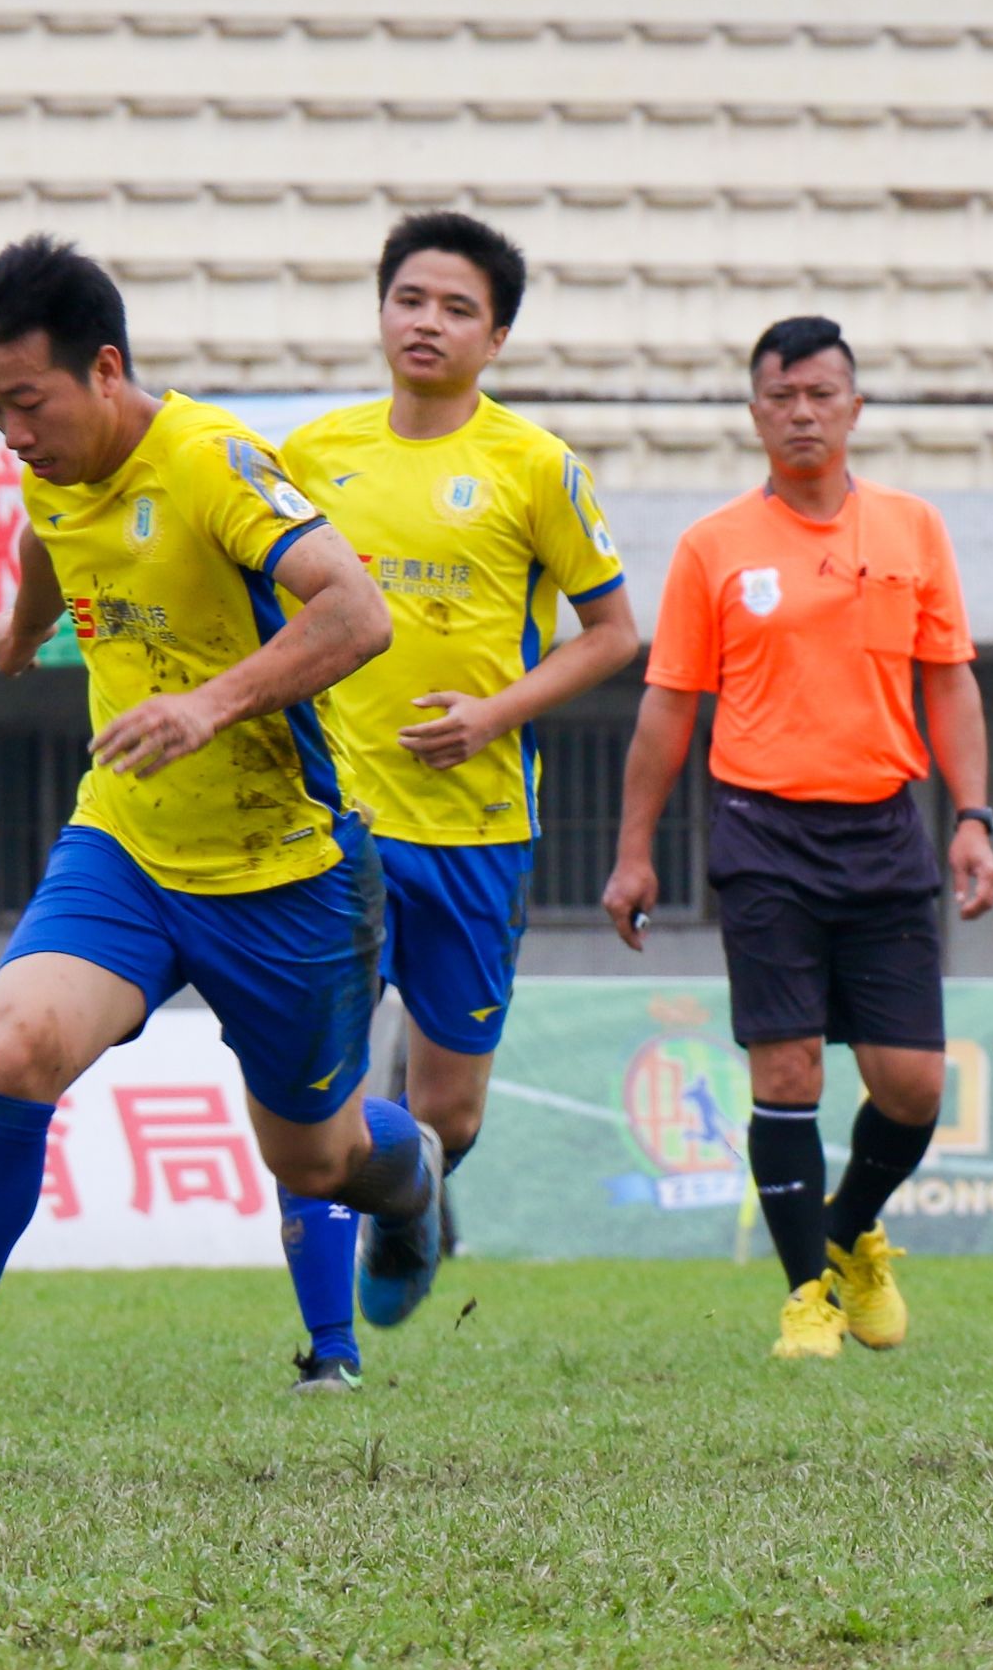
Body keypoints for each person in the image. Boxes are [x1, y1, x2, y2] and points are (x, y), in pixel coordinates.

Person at [0, 235, 437, 1471]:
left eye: (27, 401)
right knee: (17, 1045)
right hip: (128, 839)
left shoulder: (214, 463)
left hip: (288, 869)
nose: (10, 433)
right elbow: (51, 534)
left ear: (105, 368)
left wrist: (212, 704)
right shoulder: (49, 468)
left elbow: (356, 610)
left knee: (313, 1156)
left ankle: (414, 1167)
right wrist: (19, 631)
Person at [273, 212, 639, 1387]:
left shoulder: (536, 467)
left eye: (457, 308)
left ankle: (410, 1201)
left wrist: (494, 713)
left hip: (479, 832)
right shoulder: (311, 456)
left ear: (497, 338)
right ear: (381, 312)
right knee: (311, 1087)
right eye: (410, 300)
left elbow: (615, 635)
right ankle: (328, 1350)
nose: (427, 323)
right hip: (335, 831)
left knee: (452, 1113)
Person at [600, 316, 993, 1361]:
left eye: (822, 393)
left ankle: (845, 1230)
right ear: (754, 412)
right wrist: (634, 848)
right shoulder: (714, 546)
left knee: (913, 1083)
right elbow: (666, 708)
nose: (803, 412)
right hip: (761, 830)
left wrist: (971, 815)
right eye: (781, 396)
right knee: (786, 1075)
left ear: (855, 407)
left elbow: (949, 679)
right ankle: (804, 1296)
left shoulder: (913, 529)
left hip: (885, 829)